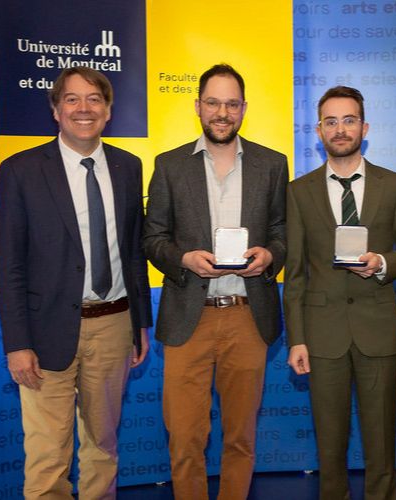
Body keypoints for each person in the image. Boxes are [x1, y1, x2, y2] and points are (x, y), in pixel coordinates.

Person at [0, 67, 152, 499]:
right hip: (44, 334)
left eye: (94, 99)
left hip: (114, 325)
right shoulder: (21, 170)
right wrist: (17, 343)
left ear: (108, 109)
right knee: (48, 454)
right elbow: (9, 264)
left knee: (103, 446)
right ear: (55, 110)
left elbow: (133, 251)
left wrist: (141, 322)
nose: (84, 108)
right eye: (72, 99)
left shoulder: (128, 166)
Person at [143, 63, 288, 500]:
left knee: (240, 438)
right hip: (189, 318)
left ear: (243, 108)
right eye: (213, 102)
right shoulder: (169, 165)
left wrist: (270, 256)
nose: (222, 112)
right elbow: (151, 238)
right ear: (198, 106)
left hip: (248, 318)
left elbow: (283, 233)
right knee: (185, 438)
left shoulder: (272, 164)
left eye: (231, 103)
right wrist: (183, 258)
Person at [285, 86, 396, 500]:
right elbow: (294, 274)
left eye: (348, 120)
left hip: (377, 330)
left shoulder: (394, 184)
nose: (340, 129)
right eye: (331, 121)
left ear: (364, 127)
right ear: (318, 130)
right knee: (330, 447)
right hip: (322, 334)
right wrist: (297, 339)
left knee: (381, 445)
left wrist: (382, 263)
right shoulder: (299, 190)